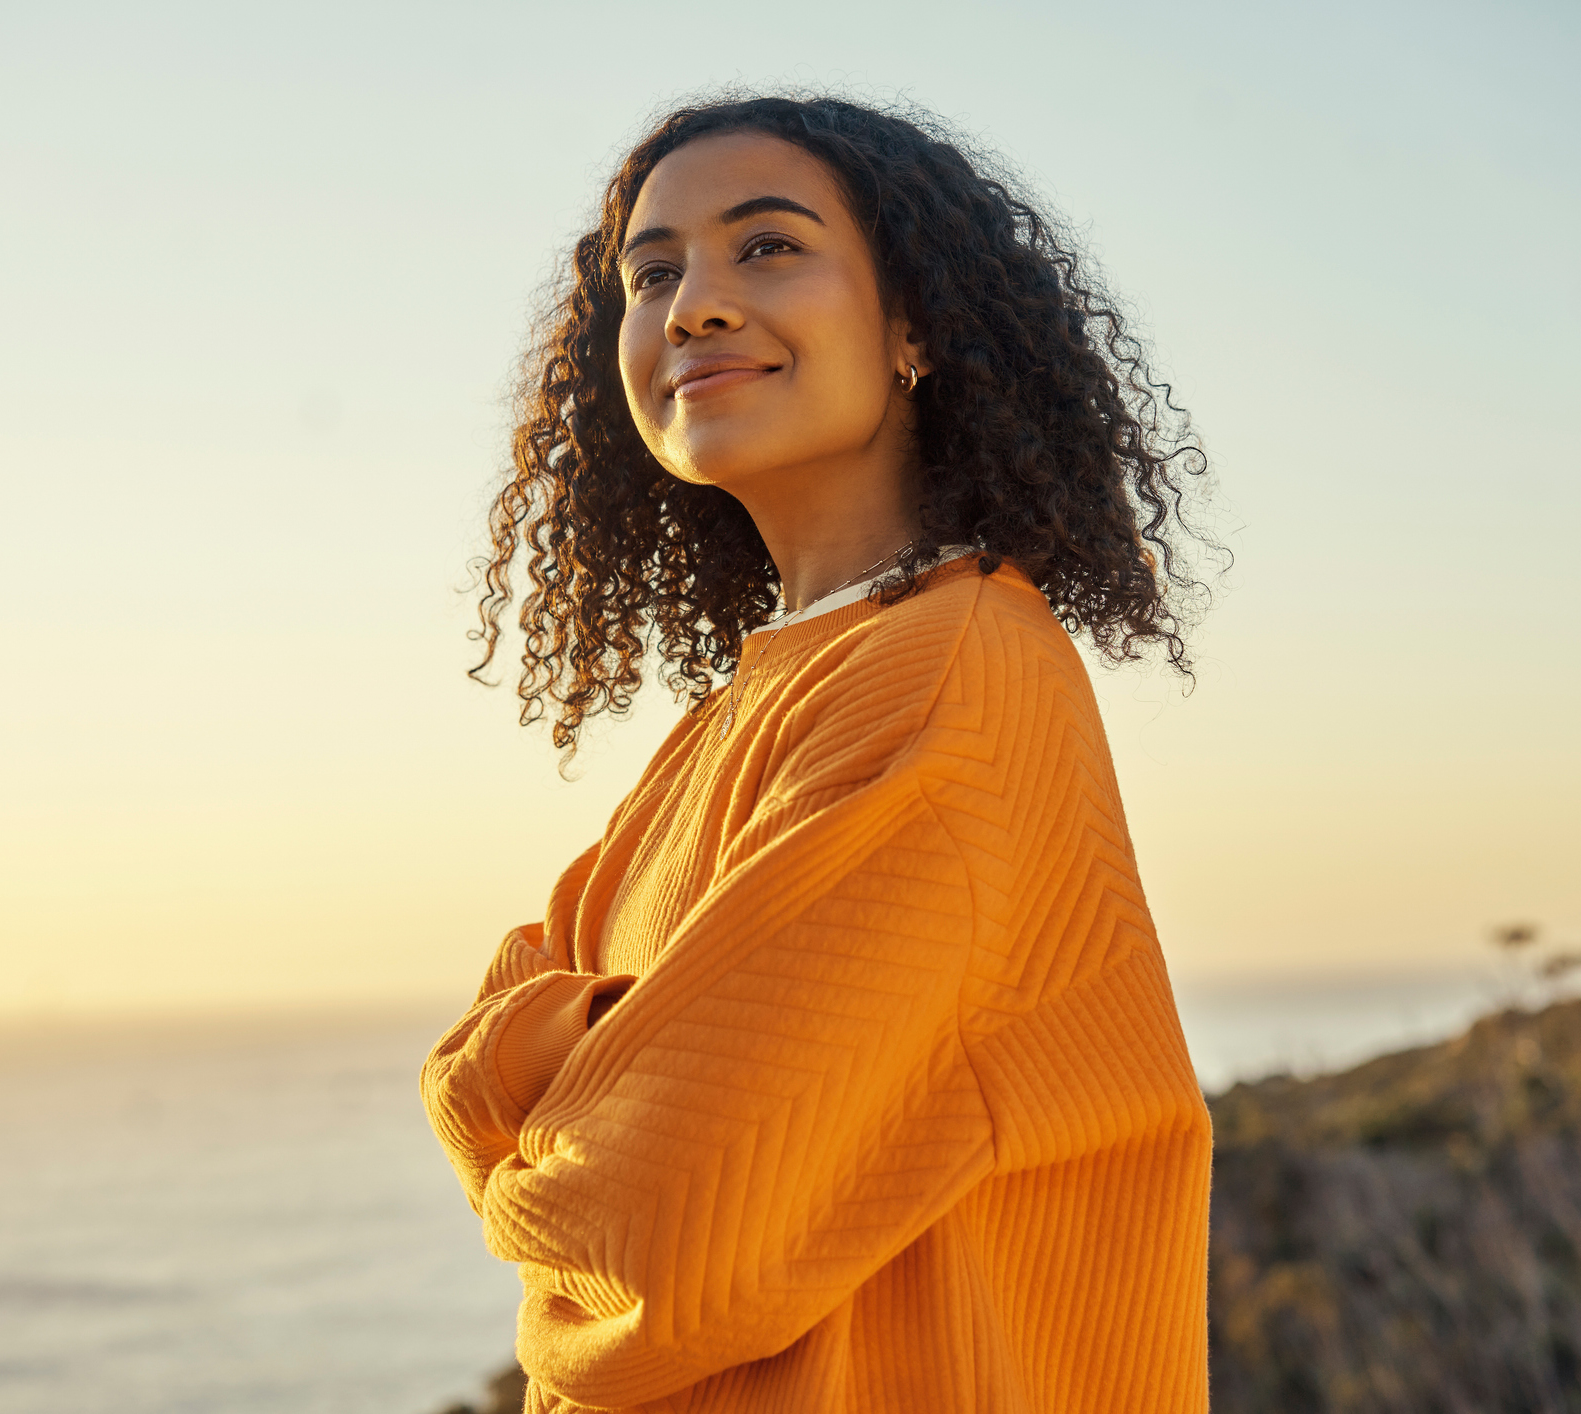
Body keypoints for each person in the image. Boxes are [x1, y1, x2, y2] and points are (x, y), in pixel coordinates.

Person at [422, 94, 1215, 1414]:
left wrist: (541, 1075)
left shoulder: (949, 676)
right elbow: (537, 1070)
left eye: (769, 247)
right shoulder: (744, 707)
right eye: (655, 272)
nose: (694, 306)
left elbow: (664, 1221)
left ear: (914, 324)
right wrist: (593, 1066)